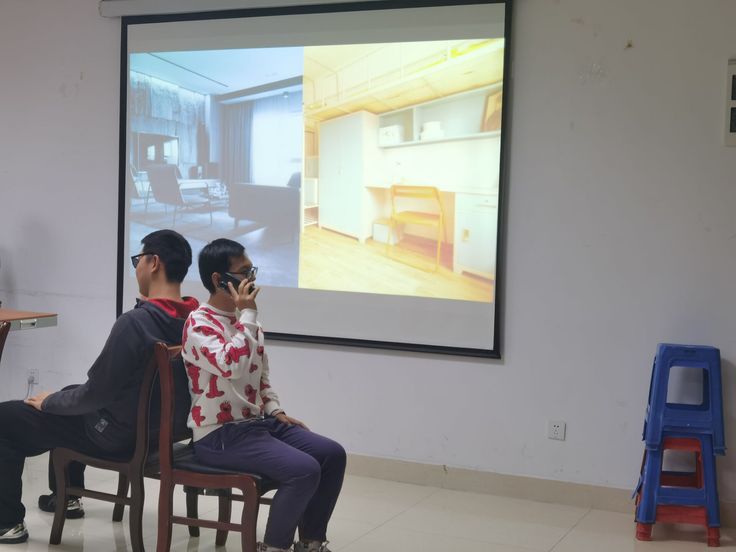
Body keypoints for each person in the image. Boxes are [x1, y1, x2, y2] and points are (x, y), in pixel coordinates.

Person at [0, 229, 198, 544]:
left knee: (6, 419)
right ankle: (66, 497)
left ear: (153, 262)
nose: (137, 268)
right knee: (69, 391)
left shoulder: (136, 324)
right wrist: (60, 397)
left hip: (115, 437)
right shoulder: (195, 320)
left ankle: (7, 523)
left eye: (138, 260)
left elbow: (96, 395)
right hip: (158, 433)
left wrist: (49, 402)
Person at [182, 239, 345, 552]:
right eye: (244, 272)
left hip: (256, 424)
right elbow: (231, 365)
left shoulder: (248, 322)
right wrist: (247, 316)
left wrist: (275, 410)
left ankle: (310, 543)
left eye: (251, 271)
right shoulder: (199, 324)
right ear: (218, 279)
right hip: (218, 435)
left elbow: (260, 375)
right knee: (304, 470)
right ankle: (274, 546)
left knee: (332, 454)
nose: (251, 279)